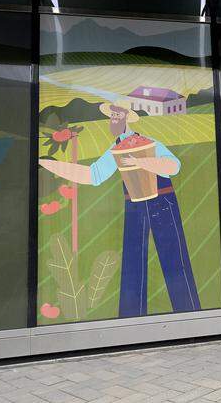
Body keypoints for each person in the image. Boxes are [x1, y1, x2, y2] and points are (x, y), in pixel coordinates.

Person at [39, 101, 200, 318]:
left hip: (163, 202)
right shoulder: (116, 148)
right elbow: (93, 175)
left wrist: (141, 161)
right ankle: (131, 319)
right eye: (112, 116)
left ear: (126, 118)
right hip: (134, 203)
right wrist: (49, 164)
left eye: (117, 116)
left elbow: (174, 166)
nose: (113, 120)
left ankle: (190, 314)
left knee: (174, 258)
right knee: (133, 262)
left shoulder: (148, 142)